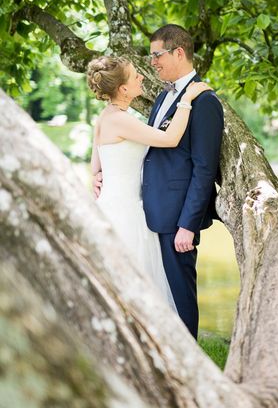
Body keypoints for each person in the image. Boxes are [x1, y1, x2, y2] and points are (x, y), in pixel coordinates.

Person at [94, 25, 224, 339]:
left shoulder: (204, 101)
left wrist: (188, 224)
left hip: (175, 218)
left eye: (156, 55)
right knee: (151, 297)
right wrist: (99, 172)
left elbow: (204, 169)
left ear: (178, 52)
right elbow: (158, 145)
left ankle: (189, 368)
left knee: (178, 299)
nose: (151, 63)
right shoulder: (164, 98)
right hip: (144, 214)